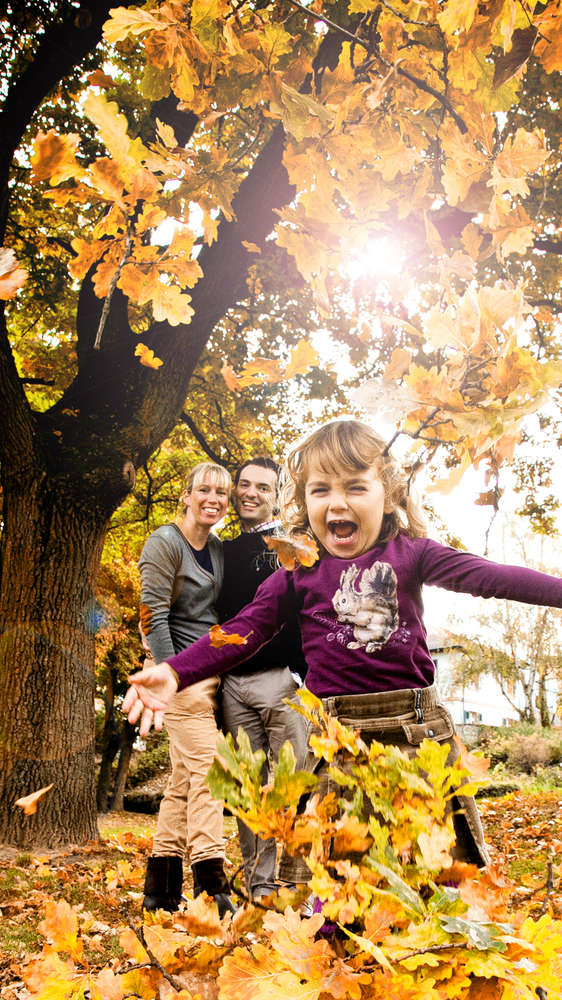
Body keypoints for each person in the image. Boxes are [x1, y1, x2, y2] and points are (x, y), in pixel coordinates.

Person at [123, 419, 562, 873]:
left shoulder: (412, 553)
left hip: (415, 735)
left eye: (355, 487)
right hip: (338, 741)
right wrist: (176, 671)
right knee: (337, 884)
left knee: (434, 877)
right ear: (303, 501)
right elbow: (243, 629)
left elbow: (493, 578)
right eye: (321, 490)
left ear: (387, 495)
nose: (337, 503)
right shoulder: (298, 571)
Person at [137, 460, 236, 916]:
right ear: (186, 494)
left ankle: (160, 892)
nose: (213, 499)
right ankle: (211, 892)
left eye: (222, 492)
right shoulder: (164, 542)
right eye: (205, 490)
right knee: (212, 773)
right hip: (178, 675)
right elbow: (152, 617)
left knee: (182, 782)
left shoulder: (214, 548)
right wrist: (173, 674)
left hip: (209, 674)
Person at [217, 457, 307, 900]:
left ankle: (299, 886)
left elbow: (310, 612)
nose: (250, 493)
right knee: (248, 791)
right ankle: (260, 889)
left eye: (262, 487)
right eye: (244, 484)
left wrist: (302, 675)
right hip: (234, 686)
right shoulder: (222, 551)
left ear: (278, 495)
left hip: (281, 682)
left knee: (295, 785)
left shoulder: (294, 547)